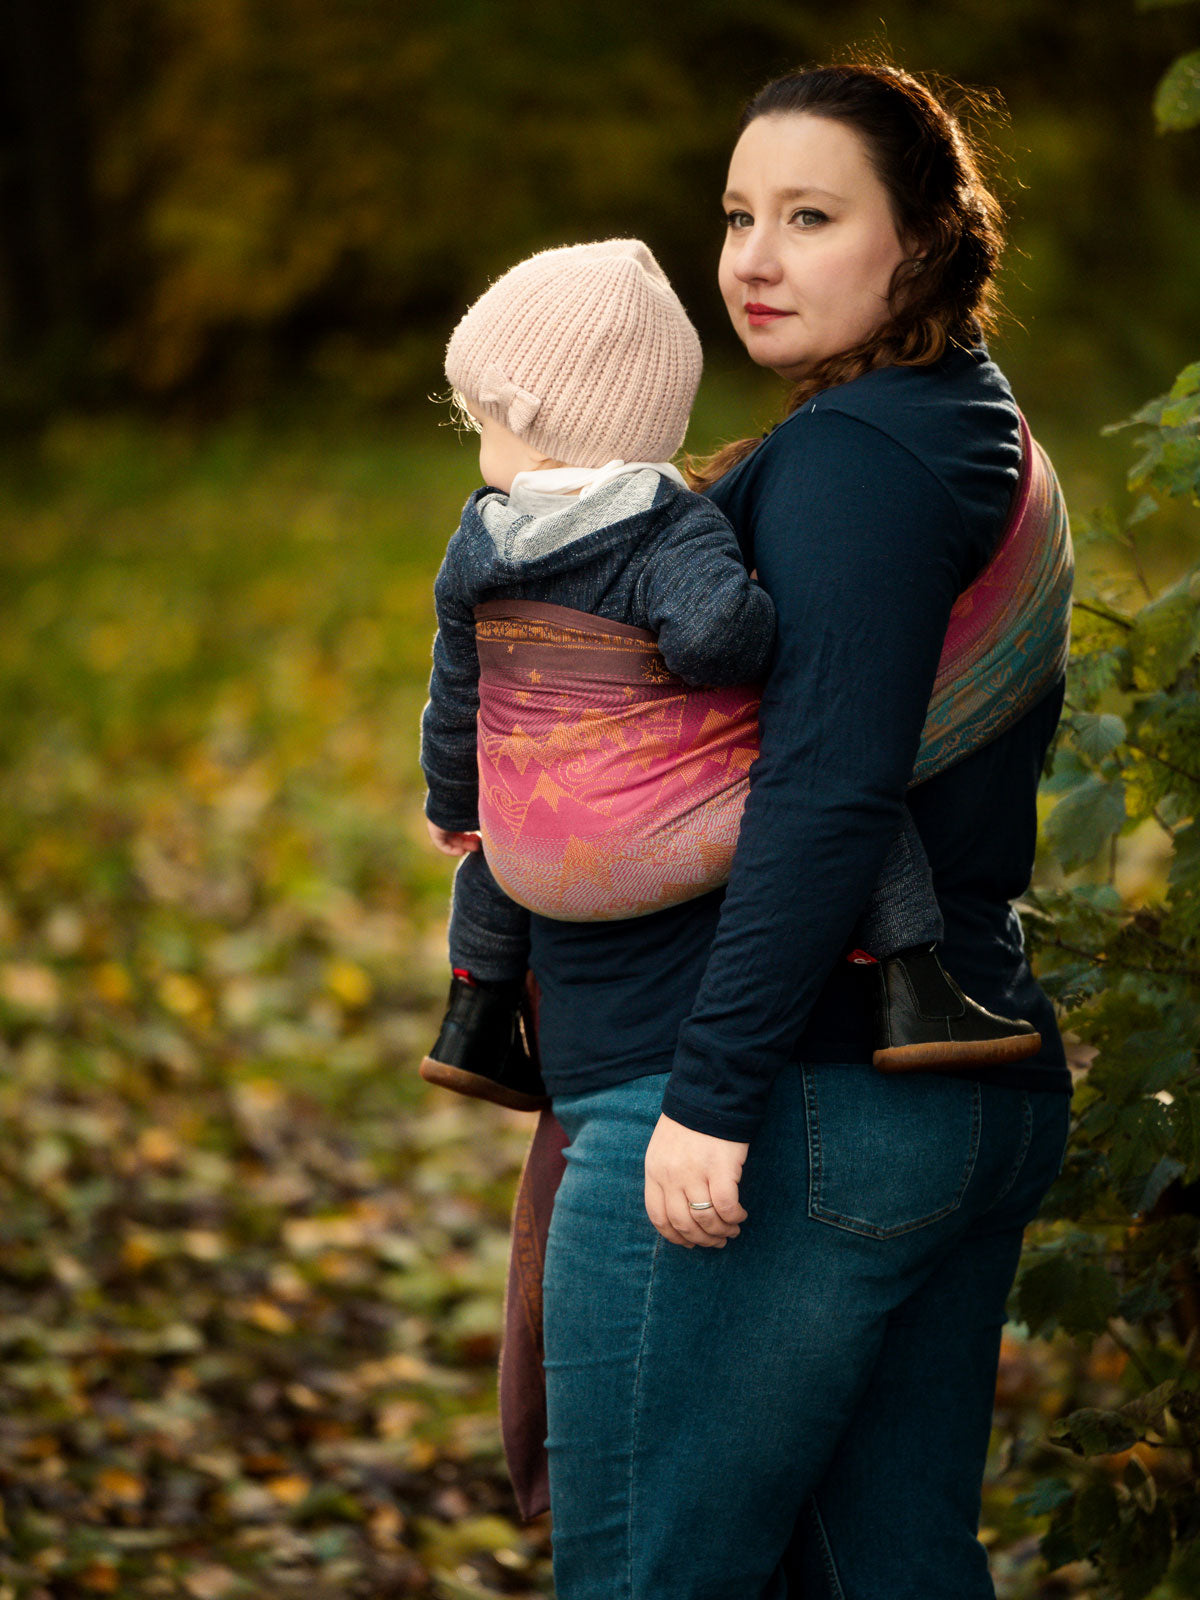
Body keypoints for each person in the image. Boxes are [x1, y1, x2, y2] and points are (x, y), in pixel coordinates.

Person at [509, 61, 1075, 1600]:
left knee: (650, 1579)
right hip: (956, 1083)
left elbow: (829, 792)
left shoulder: (852, 462)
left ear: (926, 239)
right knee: (889, 1574)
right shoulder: (976, 428)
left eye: (811, 217)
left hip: (797, 1107)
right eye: (739, 214)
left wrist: (708, 1095)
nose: (752, 258)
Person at [418, 238, 1040, 1116]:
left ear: (530, 417)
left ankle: (475, 1014)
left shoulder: (480, 544)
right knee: (847, 791)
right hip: (658, 843)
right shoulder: (667, 527)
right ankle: (912, 985)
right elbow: (718, 644)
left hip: (539, 861)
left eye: (486, 421)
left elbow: (457, 700)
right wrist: (756, 599)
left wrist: (454, 807)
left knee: (495, 834)